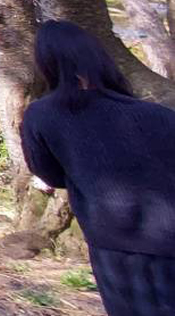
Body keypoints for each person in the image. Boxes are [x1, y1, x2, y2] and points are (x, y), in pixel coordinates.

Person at [22, 20, 175, 315]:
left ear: (46, 63)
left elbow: (50, 174)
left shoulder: (41, 115)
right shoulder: (159, 115)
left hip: (115, 244)